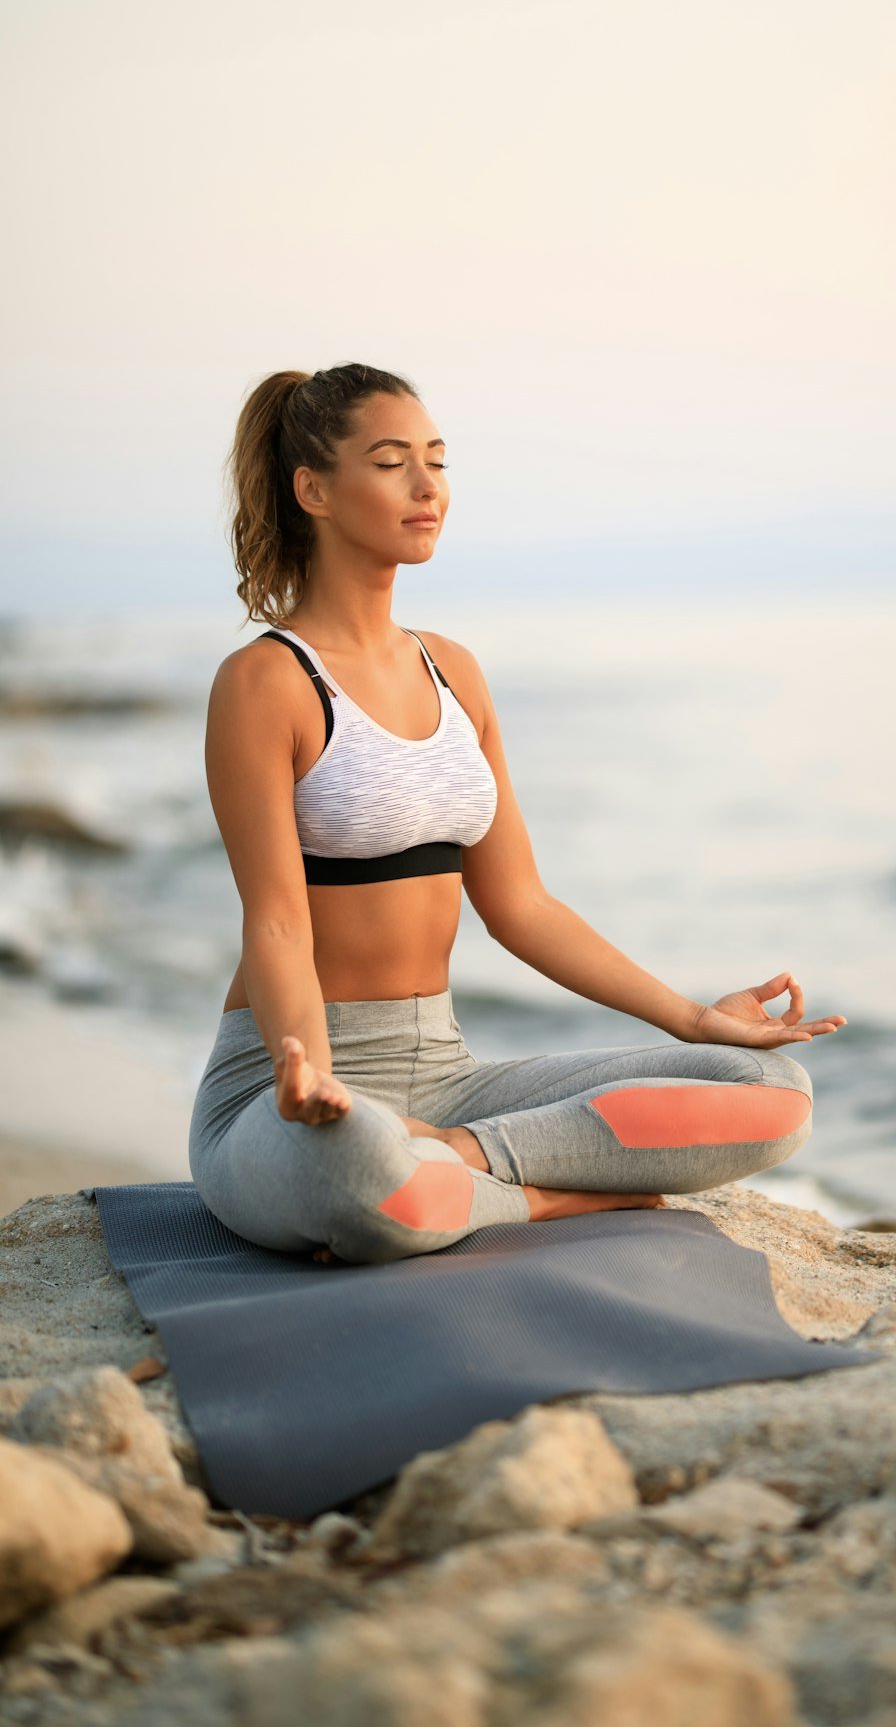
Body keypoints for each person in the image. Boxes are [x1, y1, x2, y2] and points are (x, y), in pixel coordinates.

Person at [188, 361, 847, 1265]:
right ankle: (544, 1197)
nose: (427, 488)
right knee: (373, 1176)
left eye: (437, 461)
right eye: (390, 463)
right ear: (314, 490)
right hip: (289, 1083)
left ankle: (472, 1163)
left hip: (448, 1079)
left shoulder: (453, 670)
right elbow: (274, 922)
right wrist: (308, 1072)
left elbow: (522, 906)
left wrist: (691, 1021)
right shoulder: (265, 682)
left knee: (773, 1091)